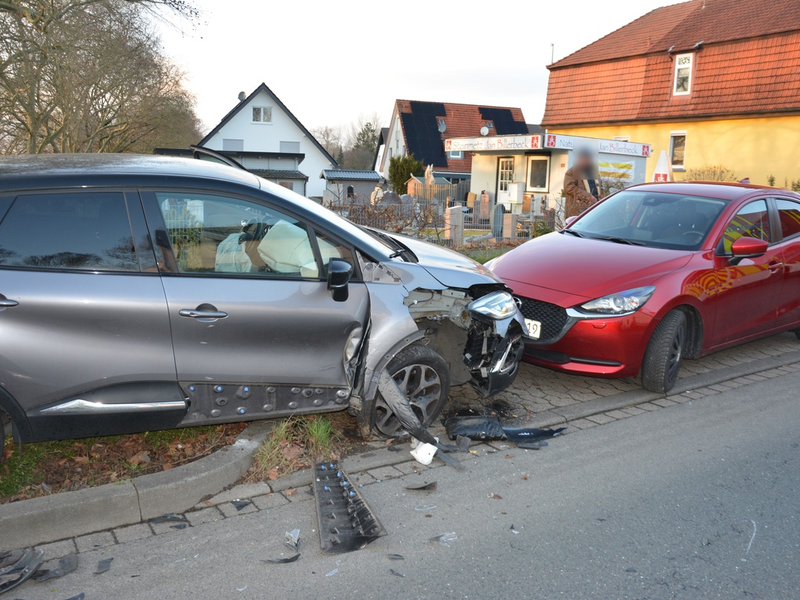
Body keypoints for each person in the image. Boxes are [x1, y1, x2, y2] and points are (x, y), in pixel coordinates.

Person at [564, 149, 602, 217]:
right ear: (579, 159)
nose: (587, 161)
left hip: (595, 208)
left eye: (588, 159)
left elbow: (600, 187)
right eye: (584, 159)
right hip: (578, 211)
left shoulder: (594, 172)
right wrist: (588, 196)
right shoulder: (572, 172)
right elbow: (569, 188)